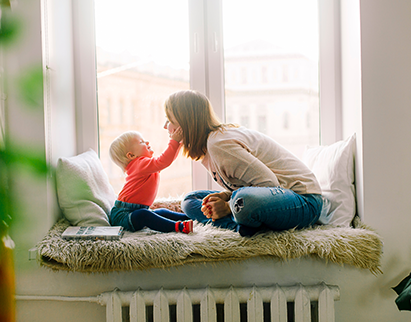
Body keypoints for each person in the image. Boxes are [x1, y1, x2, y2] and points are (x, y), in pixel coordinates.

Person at [163, 89, 323, 236]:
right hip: (270, 197)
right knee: (191, 200)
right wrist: (225, 197)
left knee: (243, 200)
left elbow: (269, 184)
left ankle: (239, 222)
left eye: (169, 120)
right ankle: (242, 226)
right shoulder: (208, 147)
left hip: (304, 201)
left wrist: (227, 206)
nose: (165, 126)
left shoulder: (219, 144)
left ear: (186, 123)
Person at [109, 128, 193, 234]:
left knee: (161, 212)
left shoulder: (145, 166)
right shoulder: (139, 164)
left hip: (136, 210)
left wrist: (179, 144)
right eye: (142, 142)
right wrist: (174, 141)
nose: (147, 142)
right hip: (123, 215)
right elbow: (164, 161)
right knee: (144, 215)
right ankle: (178, 227)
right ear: (131, 155)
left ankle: (189, 218)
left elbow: (167, 161)